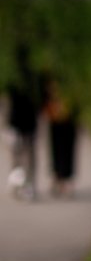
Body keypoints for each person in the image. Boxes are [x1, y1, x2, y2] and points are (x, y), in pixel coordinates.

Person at [6, 46, 45, 202]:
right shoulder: (34, 75)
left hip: (18, 120)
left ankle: (22, 185)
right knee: (27, 153)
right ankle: (27, 185)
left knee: (18, 154)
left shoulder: (14, 74)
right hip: (27, 119)